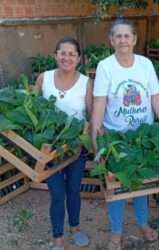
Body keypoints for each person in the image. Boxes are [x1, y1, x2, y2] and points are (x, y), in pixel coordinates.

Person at [90, 18, 159, 250]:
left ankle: (143, 223)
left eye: (127, 36)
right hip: (116, 138)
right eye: (118, 36)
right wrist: (97, 135)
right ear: (111, 40)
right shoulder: (105, 66)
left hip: (142, 137)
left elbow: (155, 97)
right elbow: (99, 102)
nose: (123, 40)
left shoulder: (145, 64)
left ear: (135, 39)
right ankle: (116, 232)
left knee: (141, 184)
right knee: (115, 186)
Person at [35, 37, 93, 250]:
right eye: (63, 53)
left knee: (73, 191)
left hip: (76, 149)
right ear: (55, 55)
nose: (66, 57)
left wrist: (90, 134)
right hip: (50, 150)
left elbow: (90, 115)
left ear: (78, 58)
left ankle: (76, 228)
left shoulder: (86, 82)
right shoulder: (44, 79)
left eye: (72, 54)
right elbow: (34, 109)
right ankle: (58, 239)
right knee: (57, 195)